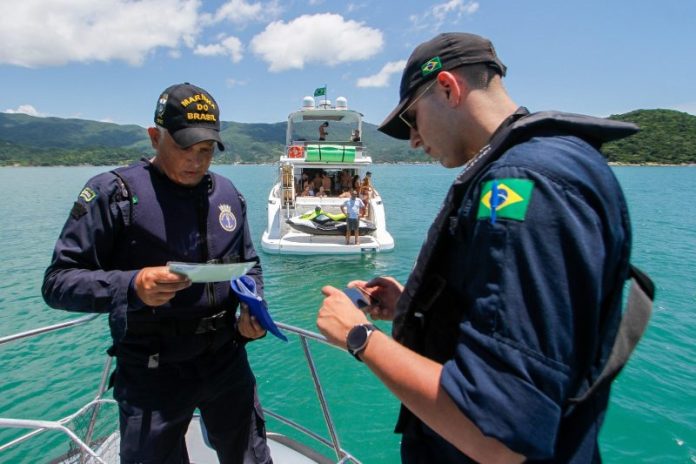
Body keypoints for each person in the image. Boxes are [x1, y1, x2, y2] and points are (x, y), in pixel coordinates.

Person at [316, 32, 644, 463]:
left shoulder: (521, 188)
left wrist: (359, 338)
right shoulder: (561, 164)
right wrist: (419, 307)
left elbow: (499, 435)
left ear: (448, 89)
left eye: (413, 119)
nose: (413, 139)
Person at [42, 83, 272, 464]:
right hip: (152, 369)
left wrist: (254, 308)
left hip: (226, 358)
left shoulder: (229, 194)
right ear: (154, 137)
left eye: (206, 150)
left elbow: (250, 264)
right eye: (184, 147)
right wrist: (131, 285)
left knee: (252, 458)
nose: (196, 161)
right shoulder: (111, 194)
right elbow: (57, 283)